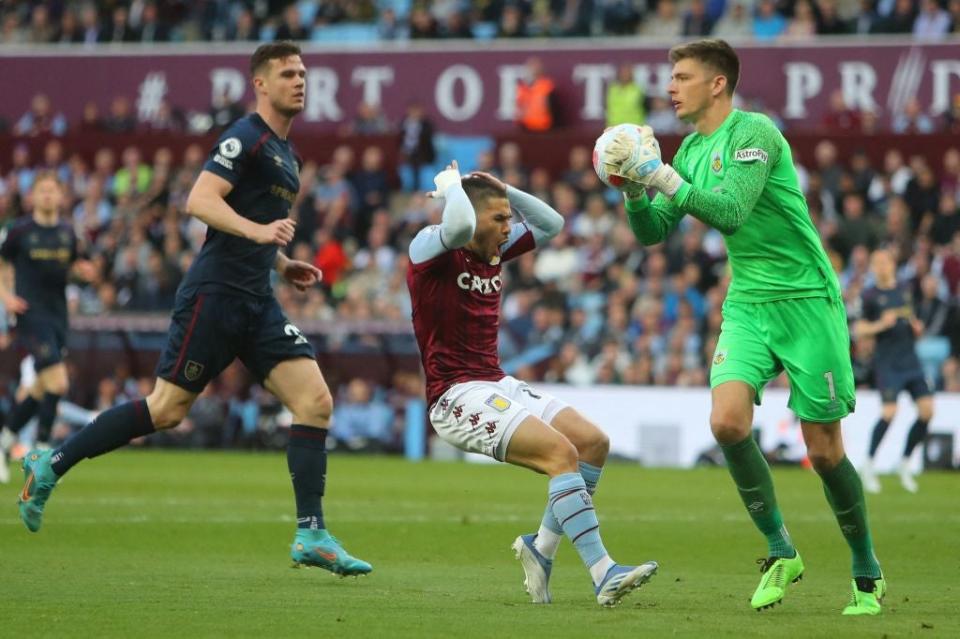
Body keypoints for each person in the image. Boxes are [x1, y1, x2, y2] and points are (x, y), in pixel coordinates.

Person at [15, 42, 372, 577]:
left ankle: (311, 534)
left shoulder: (288, 156)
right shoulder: (245, 137)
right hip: (216, 295)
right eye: (288, 74)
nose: (300, 81)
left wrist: (280, 263)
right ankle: (52, 462)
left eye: (303, 73)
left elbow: (250, 227)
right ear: (260, 83)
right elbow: (201, 201)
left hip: (258, 297)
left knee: (316, 402)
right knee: (166, 410)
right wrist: (260, 234)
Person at [598, 39, 884, 615]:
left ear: (717, 84)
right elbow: (656, 232)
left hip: (807, 301)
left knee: (825, 454)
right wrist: (634, 192)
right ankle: (782, 551)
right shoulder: (693, 151)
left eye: (681, 77)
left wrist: (659, 174)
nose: (670, 88)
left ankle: (865, 568)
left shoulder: (755, 133)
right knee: (727, 423)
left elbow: (729, 212)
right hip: (748, 302)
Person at [406, 161, 658, 607]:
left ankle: (540, 550)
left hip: (495, 382)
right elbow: (461, 221)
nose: (509, 226)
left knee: (593, 443)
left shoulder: (495, 250)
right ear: (473, 213)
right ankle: (603, 573)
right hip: (454, 395)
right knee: (562, 455)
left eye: (508, 218)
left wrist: (505, 189)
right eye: (499, 218)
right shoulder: (431, 248)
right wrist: (450, 187)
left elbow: (552, 222)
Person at [0, 172, 96, 480]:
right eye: (41, 191)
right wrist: (6, 296)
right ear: (32, 196)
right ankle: (41, 450)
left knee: (41, 387)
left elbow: (79, 268)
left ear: (61, 196)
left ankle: (4, 440)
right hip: (30, 313)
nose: (46, 196)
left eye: (52, 191)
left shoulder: (68, 233)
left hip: (58, 315)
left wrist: (85, 272)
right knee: (58, 383)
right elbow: (1, 262)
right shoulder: (20, 231)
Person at [855, 248, 934, 493]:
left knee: (927, 411)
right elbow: (859, 330)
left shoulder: (905, 291)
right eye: (875, 263)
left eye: (884, 262)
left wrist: (917, 329)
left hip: (910, 360)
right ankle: (868, 464)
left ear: (892, 265)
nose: (880, 267)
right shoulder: (869, 296)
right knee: (889, 412)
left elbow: (912, 323)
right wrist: (881, 323)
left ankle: (905, 462)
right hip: (887, 363)